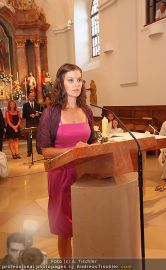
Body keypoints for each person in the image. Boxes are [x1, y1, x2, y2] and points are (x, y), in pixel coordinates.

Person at [37, 63, 96, 258]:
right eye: (71, 80)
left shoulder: (87, 111)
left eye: (79, 80)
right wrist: (74, 150)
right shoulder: (51, 113)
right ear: (61, 83)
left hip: (85, 173)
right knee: (65, 229)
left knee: (86, 223)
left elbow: (92, 142)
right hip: (61, 175)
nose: (76, 84)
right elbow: (44, 150)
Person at [22, 92, 41, 157]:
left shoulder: (37, 104)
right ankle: (29, 152)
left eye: (33, 96)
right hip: (29, 123)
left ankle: (39, 150)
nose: (32, 97)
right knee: (29, 138)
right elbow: (24, 115)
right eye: (31, 96)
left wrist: (38, 114)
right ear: (28, 97)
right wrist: (30, 115)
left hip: (36, 122)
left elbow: (40, 113)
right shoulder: (25, 105)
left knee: (38, 137)